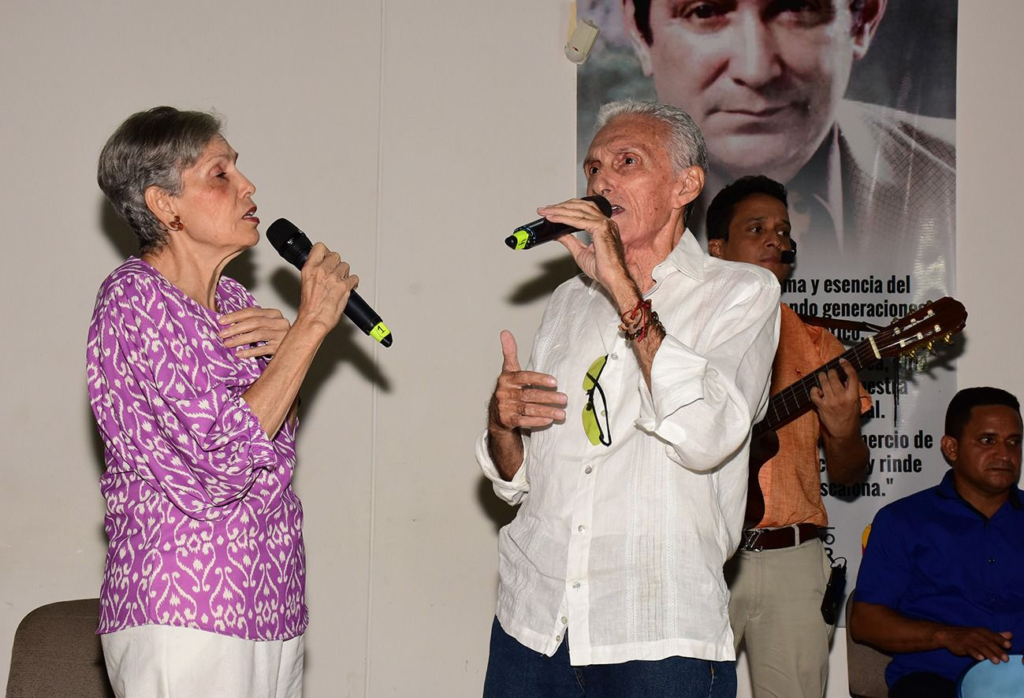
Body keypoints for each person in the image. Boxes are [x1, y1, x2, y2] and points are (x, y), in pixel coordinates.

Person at [477, 100, 781, 697]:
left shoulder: (742, 292)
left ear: (684, 185)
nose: (600, 181)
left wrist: (620, 284)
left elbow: (707, 435)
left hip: (656, 628)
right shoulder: (568, 301)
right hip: (535, 622)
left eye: (626, 162)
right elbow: (518, 481)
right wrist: (503, 424)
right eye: (592, 168)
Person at [88, 106, 358, 697]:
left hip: (270, 599)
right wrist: (311, 326)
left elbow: (271, 447)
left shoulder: (235, 301)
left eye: (238, 168)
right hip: (185, 605)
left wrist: (290, 350)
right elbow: (220, 462)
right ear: (165, 205)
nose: (248, 185)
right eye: (220, 174)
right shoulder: (134, 300)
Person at [620, 0, 955, 286]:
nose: (756, 70)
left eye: (797, 6)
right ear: (639, 32)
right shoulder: (592, 213)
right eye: (705, 11)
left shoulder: (955, 175)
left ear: (862, 19)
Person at [705, 175, 870, 697]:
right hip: (704, 556)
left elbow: (848, 476)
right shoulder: (679, 336)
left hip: (794, 558)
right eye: (757, 229)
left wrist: (843, 432)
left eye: (783, 230)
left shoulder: (818, 344)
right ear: (717, 249)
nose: (777, 239)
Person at [850, 387, 1024, 698]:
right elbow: (866, 622)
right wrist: (946, 636)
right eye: (988, 440)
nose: (1004, 454)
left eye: (1014, 442)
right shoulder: (903, 520)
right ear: (951, 448)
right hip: (936, 678)